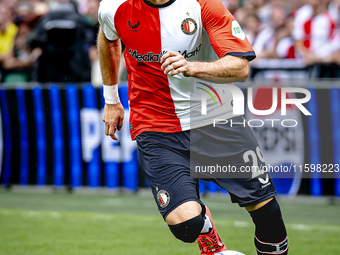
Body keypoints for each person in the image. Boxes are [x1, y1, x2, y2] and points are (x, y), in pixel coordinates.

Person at [98, 0, 289, 254]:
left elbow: (240, 67)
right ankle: (211, 241)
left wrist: (192, 67)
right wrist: (111, 100)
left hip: (215, 119)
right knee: (186, 225)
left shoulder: (204, 4)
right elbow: (107, 37)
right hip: (156, 124)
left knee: (267, 214)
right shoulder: (114, 6)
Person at [27, 0, 94, 82]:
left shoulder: (77, 20)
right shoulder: (46, 20)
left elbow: (90, 38)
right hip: (52, 67)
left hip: (74, 66)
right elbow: (34, 39)